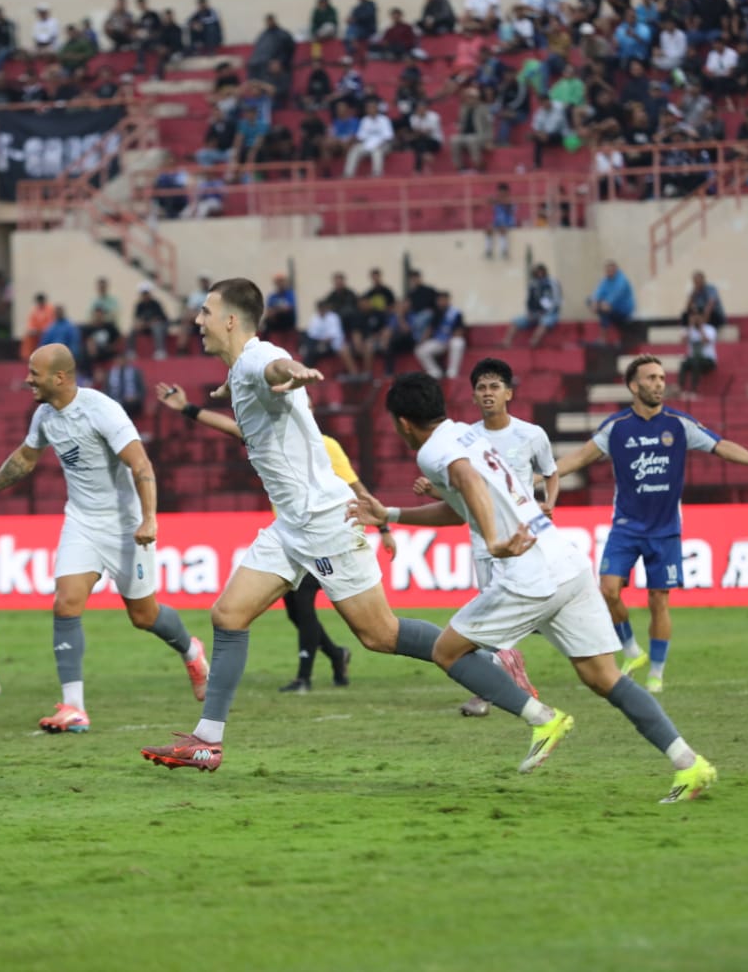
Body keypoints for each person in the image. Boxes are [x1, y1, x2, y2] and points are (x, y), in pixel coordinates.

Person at [136, 279, 541, 772]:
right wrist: (220, 393)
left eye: (204, 311)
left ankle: (530, 707)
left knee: (381, 635)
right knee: (227, 615)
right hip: (292, 525)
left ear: (230, 320)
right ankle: (207, 740)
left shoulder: (258, 359)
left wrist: (295, 371)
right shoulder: (239, 369)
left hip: (326, 520)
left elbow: (273, 368)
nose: (196, 320)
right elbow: (252, 388)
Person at [350, 373, 720, 801]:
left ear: (402, 422)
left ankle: (542, 718)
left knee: (446, 651)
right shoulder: (464, 435)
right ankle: (690, 765)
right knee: (604, 677)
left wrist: (492, 541)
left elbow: (468, 483)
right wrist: (391, 513)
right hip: (564, 560)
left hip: (530, 572)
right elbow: (461, 509)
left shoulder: (433, 451)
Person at [0, 343, 209, 734]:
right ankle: (74, 707)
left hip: (126, 525)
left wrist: (149, 519)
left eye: (35, 373)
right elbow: (25, 458)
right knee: (66, 604)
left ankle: (191, 650)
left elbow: (141, 464)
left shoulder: (102, 410)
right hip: (81, 521)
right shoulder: (44, 415)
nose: (28, 379)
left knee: (143, 616)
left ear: (60, 377)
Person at [549, 356, 748, 692]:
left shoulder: (679, 424)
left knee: (658, 600)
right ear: (634, 387)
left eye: (662, 378)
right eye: (651, 378)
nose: (659, 384)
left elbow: (720, 446)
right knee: (607, 590)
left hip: (665, 530)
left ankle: (656, 674)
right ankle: (632, 650)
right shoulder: (616, 427)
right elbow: (579, 457)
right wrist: (543, 475)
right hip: (626, 527)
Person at [155, 381, 386, 693]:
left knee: (312, 609)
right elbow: (233, 428)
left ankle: (304, 678)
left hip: (322, 535)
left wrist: (384, 526)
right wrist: (187, 409)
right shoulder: (270, 437)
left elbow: (358, 490)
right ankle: (335, 653)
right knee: (296, 612)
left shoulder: (325, 445)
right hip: (290, 539)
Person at [417, 357, 556, 717]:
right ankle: (497, 684)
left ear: (509, 393)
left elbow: (550, 473)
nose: (488, 393)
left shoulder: (531, 435)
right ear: (474, 396)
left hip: (525, 539)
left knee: (496, 619)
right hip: (484, 540)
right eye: (481, 388)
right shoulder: (468, 438)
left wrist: (548, 503)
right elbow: (466, 494)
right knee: (495, 617)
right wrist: (434, 491)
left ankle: (498, 686)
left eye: (495, 386)